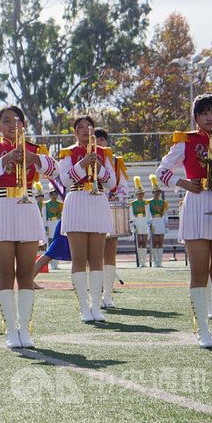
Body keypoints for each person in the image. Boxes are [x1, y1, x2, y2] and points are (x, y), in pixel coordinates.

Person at [156, 95, 212, 348]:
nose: (209, 117)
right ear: (195, 118)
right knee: (199, 272)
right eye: (203, 113)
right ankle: (202, 331)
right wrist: (183, 183)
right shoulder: (186, 141)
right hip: (196, 204)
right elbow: (161, 170)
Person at [0, 106, 58, 348]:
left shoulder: (34, 148)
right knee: (6, 273)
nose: (13, 125)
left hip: (27, 205)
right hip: (2, 206)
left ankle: (25, 329)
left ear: (24, 125)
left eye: (17, 121)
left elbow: (55, 171)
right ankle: (11, 330)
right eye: (6, 121)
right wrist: (6, 159)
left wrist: (33, 158)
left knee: (25, 272)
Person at [58, 116, 117, 323]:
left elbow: (112, 183)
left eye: (89, 127)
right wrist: (83, 163)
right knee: (79, 258)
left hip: (98, 200)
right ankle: (84, 307)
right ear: (75, 132)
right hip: (76, 201)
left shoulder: (104, 153)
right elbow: (64, 180)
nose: (85, 130)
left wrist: (99, 167)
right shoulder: (68, 153)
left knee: (96, 258)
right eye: (80, 127)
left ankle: (96, 305)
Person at [94, 129, 127, 309]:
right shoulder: (83, 157)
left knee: (109, 254)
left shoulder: (115, 161)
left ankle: (107, 295)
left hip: (110, 210)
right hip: (92, 210)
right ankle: (96, 294)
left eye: (101, 140)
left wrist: (116, 196)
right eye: (96, 140)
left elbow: (122, 186)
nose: (99, 143)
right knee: (94, 255)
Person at [147, 176, 168, 267]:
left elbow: (165, 213)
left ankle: (160, 262)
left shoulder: (163, 202)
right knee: (154, 241)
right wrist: (149, 224)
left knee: (160, 241)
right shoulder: (149, 202)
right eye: (156, 192)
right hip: (153, 221)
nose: (157, 193)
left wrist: (166, 224)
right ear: (153, 192)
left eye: (158, 192)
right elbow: (148, 213)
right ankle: (155, 262)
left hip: (161, 221)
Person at [130, 179, 150, 266]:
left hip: (144, 221)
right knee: (139, 242)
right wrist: (133, 224)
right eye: (139, 193)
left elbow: (148, 213)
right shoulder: (133, 203)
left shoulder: (146, 203)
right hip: (137, 221)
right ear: (136, 194)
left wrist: (149, 223)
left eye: (142, 193)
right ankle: (140, 260)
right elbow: (131, 214)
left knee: (144, 242)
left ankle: (144, 261)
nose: (140, 195)